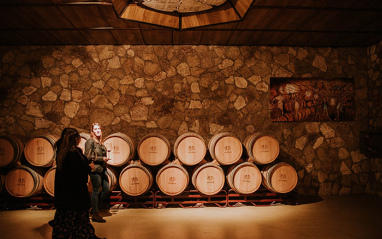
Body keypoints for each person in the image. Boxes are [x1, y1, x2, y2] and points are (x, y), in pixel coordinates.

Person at [53, 127, 105, 239]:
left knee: (65, 223)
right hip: (75, 195)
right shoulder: (73, 153)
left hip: (64, 195)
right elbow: (78, 172)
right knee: (78, 223)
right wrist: (89, 167)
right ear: (76, 139)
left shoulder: (61, 152)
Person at [85, 123, 110, 223]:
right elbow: (87, 156)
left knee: (106, 189)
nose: (98, 130)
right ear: (92, 131)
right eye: (95, 129)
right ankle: (95, 213)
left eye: (99, 128)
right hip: (95, 169)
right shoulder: (90, 142)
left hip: (102, 169)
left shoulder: (100, 142)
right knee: (95, 191)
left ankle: (92, 207)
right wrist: (102, 158)